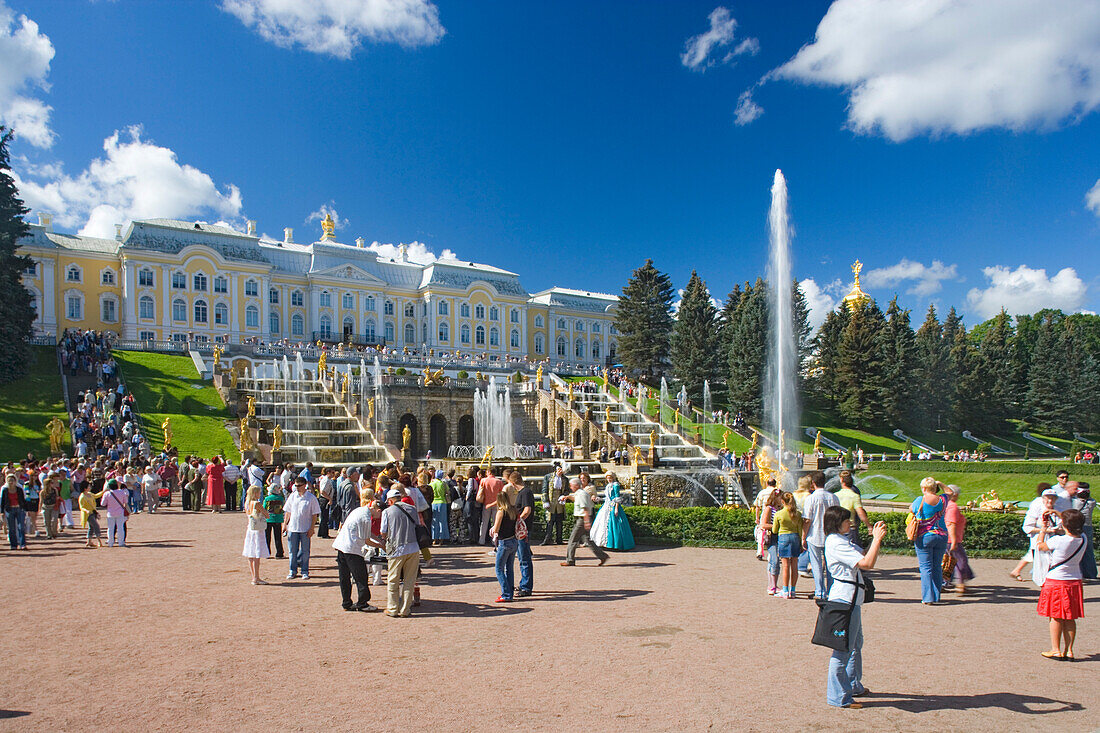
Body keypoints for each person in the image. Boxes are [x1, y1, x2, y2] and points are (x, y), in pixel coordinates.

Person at [823, 505, 888, 709]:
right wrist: (876, 539)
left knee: (855, 645)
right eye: (846, 520)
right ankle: (838, 696)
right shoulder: (836, 543)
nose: (850, 523)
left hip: (851, 600)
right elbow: (867, 563)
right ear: (836, 523)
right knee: (843, 650)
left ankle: (852, 685)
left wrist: (875, 538)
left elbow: (865, 555)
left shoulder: (841, 541)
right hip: (844, 601)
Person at [1036, 508, 1086, 660]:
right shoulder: (1083, 538)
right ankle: (1069, 650)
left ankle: (1055, 649)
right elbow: (1072, 524)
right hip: (1074, 580)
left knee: (1055, 616)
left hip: (1056, 581)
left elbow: (1040, 546)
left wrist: (1043, 530)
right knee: (1070, 617)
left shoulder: (1058, 541)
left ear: (1064, 524)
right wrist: (1057, 513)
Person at [332, 488, 383, 612]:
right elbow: (367, 541)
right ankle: (362, 603)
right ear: (378, 510)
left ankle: (346, 602)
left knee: (344, 577)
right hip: (352, 549)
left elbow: (368, 533)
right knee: (361, 576)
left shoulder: (359, 510)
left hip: (341, 545)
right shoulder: (366, 518)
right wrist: (382, 546)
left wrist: (379, 540)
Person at [379, 488, 420, 617]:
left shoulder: (387, 512)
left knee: (393, 579)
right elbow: (417, 525)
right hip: (413, 547)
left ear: (390, 501)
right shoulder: (412, 509)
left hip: (396, 548)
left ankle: (393, 608)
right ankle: (405, 609)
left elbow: (383, 532)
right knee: (409, 580)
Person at [910, 477, 949, 605]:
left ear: (924, 488)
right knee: (937, 566)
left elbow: (911, 509)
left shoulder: (920, 500)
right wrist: (940, 483)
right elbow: (950, 493)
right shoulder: (942, 500)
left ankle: (928, 598)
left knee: (926, 567)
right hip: (942, 535)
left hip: (924, 536)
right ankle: (937, 596)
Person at [802, 470, 839, 600]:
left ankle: (820, 591)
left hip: (814, 534)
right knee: (830, 565)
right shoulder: (833, 497)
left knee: (816, 565)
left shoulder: (810, 498)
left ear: (813, 483)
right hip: (830, 535)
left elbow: (807, 520)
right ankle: (831, 590)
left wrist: (803, 536)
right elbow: (837, 517)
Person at [561, 477, 609, 567]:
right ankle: (602, 556)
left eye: (571, 485)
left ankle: (570, 560)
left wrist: (586, 521)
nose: (570, 487)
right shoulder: (580, 493)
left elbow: (585, 508)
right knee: (588, 540)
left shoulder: (581, 494)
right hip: (583, 519)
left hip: (582, 519)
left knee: (572, 539)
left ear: (576, 485)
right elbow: (576, 499)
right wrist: (567, 497)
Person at [282, 475, 320, 580]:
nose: (297, 488)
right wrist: (285, 524)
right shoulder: (293, 496)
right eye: (296, 485)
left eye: (299, 486)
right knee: (292, 551)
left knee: (305, 551)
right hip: (293, 528)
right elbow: (288, 511)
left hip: (305, 528)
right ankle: (292, 570)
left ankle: (304, 571)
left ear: (305, 485)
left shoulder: (311, 498)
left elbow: (314, 514)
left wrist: (312, 528)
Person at [590, 472, 635, 551]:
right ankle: (604, 543)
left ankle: (615, 544)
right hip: (606, 506)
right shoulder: (608, 485)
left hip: (613, 506)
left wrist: (616, 508)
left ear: (613, 477)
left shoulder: (616, 485)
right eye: (607, 477)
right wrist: (599, 499)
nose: (608, 479)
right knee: (603, 523)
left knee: (614, 525)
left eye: (610, 477)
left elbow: (617, 497)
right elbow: (607, 498)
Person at [942, 484, 974, 593]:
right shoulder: (952, 506)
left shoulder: (943, 504)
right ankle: (960, 584)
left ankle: (943, 583)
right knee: (960, 561)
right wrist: (954, 541)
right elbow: (951, 523)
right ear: (954, 494)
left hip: (945, 538)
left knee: (948, 561)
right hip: (951, 539)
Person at [772, 491, 803, 599]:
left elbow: (774, 530)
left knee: (785, 566)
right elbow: (800, 530)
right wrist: (801, 542)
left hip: (783, 537)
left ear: (782, 501)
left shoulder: (779, 514)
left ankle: (785, 590)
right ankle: (793, 590)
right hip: (795, 537)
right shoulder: (797, 514)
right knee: (794, 565)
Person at [491, 490, 519, 602]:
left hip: (504, 542)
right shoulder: (513, 510)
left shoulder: (501, 511)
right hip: (513, 540)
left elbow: (496, 529)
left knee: (499, 569)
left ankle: (506, 594)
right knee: (509, 569)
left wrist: (493, 529)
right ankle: (510, 592)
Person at [511, 471, 536, 597]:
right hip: (523, 529)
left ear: (513, 482)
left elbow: (527, 510)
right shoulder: (524, 492)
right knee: (522, 557)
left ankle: (526, 587)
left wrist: (519, 522)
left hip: (523, 530)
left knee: (524, 558)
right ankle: (524, 583)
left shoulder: (525, 492)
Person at [242, 485, 270, 585]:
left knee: (251, 552)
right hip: (257, 529)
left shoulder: (247, 503)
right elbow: (267, 515)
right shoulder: (257, 503)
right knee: (256, 553)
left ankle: (254, 576)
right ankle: (257, 577)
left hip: (250, 527)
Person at [757, 487, 781, 595]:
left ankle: (774, 585)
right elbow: (763, 524)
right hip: (772, 536)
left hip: (780, 536)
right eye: (780, 498)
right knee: (774, 560)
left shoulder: (781, 509)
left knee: (775, 561)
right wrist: (776, 526)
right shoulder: (769, 508)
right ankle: (771, 585)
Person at [835, 471, 869, 547]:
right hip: (851, 527)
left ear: (841, 480)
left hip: (838, 528)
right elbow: (860, 512)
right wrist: (869, 526)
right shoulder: (854, 494)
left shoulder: (835, 495)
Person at [1071, 482, 1096, 580]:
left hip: (1077, 527)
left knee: (1076, 549)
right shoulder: (1092, 502)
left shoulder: (1075, 502)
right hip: (1088, 527)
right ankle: (1091, 573)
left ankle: (1079, 571)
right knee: (1089, 550)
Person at [100, 478, 129, 547]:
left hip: (110, 513)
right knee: (120, 528)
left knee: (110, 528)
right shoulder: (121, 492)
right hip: (120, 512)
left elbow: (103, 504)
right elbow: (126, 501)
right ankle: (121, 542)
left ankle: (110, 542)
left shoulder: (107, 493)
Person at [542, 464, 566, 545]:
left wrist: (564, 496)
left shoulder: (565, 478)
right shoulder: (548, 477)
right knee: (550, 522)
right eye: (559, 469)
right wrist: (545, 500)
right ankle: (547, 539)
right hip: (551, 502)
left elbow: (566, 490)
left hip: (559, 503)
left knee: (559, 522)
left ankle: (559, 539)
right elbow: (544, 489)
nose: (560, 471)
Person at [2, 474, 27, 550]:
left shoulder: (19, 489)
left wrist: (25, 509)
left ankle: (22, 544)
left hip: (19, 509)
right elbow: (2, 501)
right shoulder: (5, 490)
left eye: (12, 480)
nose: (11, 482)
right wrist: (2, 512)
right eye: (9, 480)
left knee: (21, 527)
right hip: (10, 510)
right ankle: (13, 545)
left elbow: (23, 499)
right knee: (11, 528)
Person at [78, 480, 104, 548]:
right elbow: (81, 507)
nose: (90, 487)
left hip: (93, 512)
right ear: (85, 488)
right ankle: (99, 540)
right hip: (88, 514)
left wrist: (103, 491)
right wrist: (86, 510)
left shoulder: (90, 494)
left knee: (91, 527)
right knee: (96, 526)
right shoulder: (82, 497)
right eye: (89, 486)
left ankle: (89, 541)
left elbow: (96, 496)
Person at [263, 483, 285, 558]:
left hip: (268, 519)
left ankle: (266, 553)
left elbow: (264, 508)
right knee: (278, 537)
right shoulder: (281, 498)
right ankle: (279, 553)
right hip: (278, 519)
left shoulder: (267, 499)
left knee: (267, 537)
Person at [429, 469, 450, 544]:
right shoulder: (443, 483)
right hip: (442, 502)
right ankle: (442, 538)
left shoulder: (432, 484)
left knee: (434, 522)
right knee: (443, 521)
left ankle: (434, 538)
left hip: (434, 502)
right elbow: (448, 492)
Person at [463, 466, 481, 545]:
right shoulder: (476, 481)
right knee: (475, 520)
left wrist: (467, 496)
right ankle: (476, 537)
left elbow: (470, 488)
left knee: (469, 518)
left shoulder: (470, 480)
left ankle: (471, 537)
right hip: (475, 501)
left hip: (470, 501)